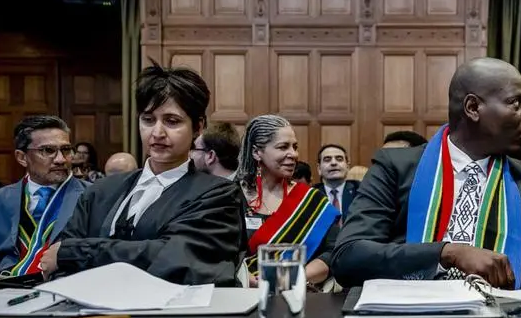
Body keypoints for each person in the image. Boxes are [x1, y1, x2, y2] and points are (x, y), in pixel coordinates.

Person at [331, 57, 521, 289]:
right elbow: (348, 257)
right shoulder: (396, 167)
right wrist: (447, 253)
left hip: (500, 311)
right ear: (473, 108)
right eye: (515, 103)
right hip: (409, 309)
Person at [41, 63, 246, 286]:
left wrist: (77, 253)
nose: (157, 133)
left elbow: (177, 260)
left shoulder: (219, 194)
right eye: (148, 120)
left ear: (198, 127)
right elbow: (56, 261)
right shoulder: (100, 191)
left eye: (172, 121)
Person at [238, 115, 339, 287]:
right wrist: (247, 280)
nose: (293, 154)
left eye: (295, 147)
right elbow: (219, 254)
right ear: (256, 152)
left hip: (300, 293)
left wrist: (291, 277)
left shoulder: (312, 200)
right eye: (283, 147)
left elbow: (332, 253)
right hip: (241, 293)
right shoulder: (231, 196)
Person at [0, 116, 88, 275]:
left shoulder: (92, 196)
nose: (60, 159)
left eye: (66, 150)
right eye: (48, 150)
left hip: (66, 284)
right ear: (22, 157)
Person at [312, 144, 359, 219]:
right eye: (327, 160)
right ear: (319, 169)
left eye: (339, 159)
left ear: (347, 167)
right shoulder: (311, 195)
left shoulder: (361, 191)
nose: (333, 163)